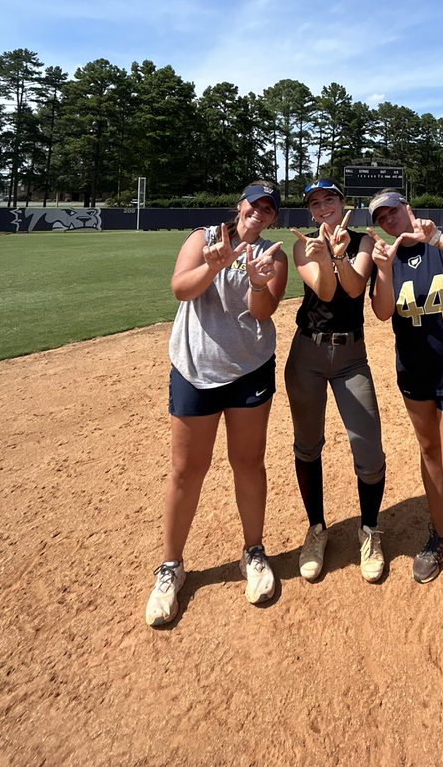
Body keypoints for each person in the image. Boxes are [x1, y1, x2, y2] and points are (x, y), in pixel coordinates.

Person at [145, 181, 288, 627]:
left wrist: (259, 281)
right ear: (239, 205)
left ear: (272, 217)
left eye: (268, 209)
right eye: (254, 204)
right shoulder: (203, 238)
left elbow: (262, 312)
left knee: (248, 462)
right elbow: (180, 289)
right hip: (194, 369)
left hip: (249, 369)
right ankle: (171, 566)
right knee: (187, 469)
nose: (259, 212)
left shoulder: (274, 255)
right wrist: (212, 267)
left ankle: (254, 553)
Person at [367, 192, 443, 648]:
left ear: (409, 208)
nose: (389, 220)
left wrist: (437, 237)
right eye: (381, 217)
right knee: (429, 452)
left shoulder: (441, 238)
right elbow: (382, 312)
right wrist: (382, 269)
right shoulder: (389, 257)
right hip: (416, 376)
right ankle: (438, 535)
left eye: (393, 211)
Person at [284, 179, 387, 584]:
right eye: (315, 202)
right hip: (307, 354)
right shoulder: (302, 244)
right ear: (310, 211)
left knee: (368, 447)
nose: (323, 206)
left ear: (343, 203)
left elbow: (354, 286)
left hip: (350, 356)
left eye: (330, 199)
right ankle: (316, 530)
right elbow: (325, 290)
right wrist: (325, 256)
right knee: (308, 444)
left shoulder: (362, 242)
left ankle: (369, 530)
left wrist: (341, 254)